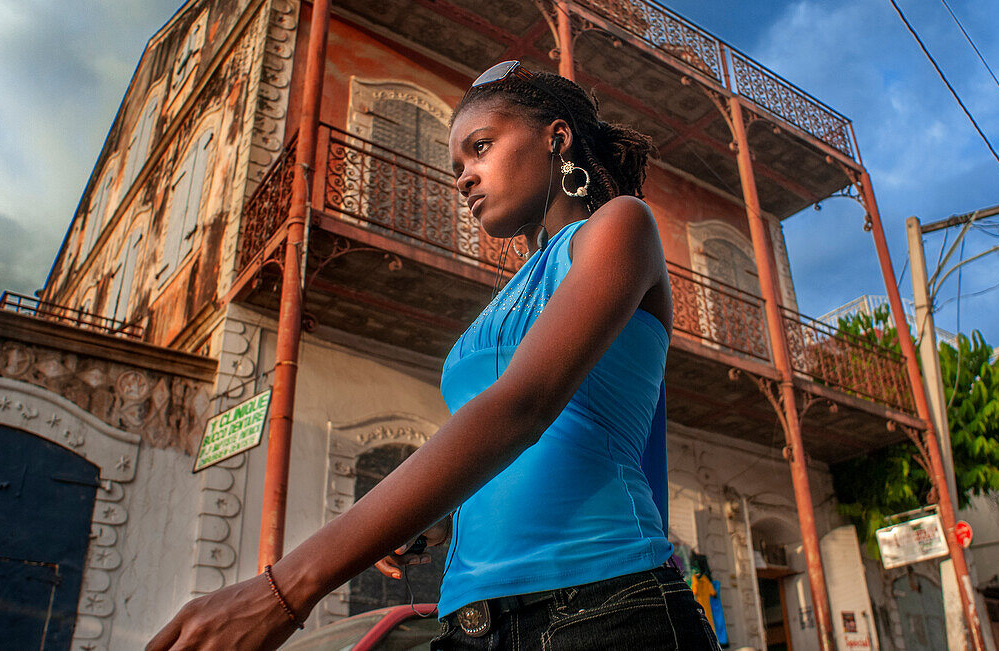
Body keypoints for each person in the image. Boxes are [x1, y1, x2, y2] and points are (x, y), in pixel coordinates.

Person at [147, 61, 722, 650]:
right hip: (470, 622)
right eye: (457, 167)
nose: (464, 178)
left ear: (556, 137)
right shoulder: (506, 295)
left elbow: (523, 406)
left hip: (606, 608)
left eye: (480, 148)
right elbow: (521, 437)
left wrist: (286, 587)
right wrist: (442, 511)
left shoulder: (620, 226)